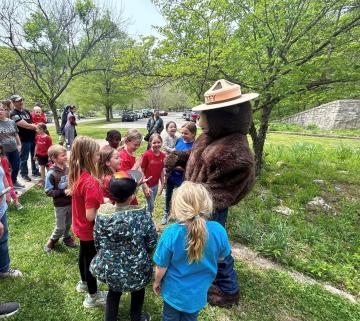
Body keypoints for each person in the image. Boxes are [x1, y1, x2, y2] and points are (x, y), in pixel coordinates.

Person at [165, 79, 258, 306]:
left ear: (224, 115)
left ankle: (228, 290)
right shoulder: (210, 136)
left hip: (210, 209)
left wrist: (191, 198)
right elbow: (197, 157)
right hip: (195, 204)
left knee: (216, 246)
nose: (198, 119)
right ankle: (204, 276)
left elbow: (227, 190)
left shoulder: (234, 151)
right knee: (199, 244)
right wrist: (179, 157)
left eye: (204, 115)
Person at [153, 182, 231, 321]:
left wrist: (156, 282)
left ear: (178, 206)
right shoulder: (218, 230)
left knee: (169, 318)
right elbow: (222, 257)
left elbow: (161, 267)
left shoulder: (171, 233)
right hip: (199, 293)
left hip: (173, 293)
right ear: (207, 204)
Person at [90, 171, 157, 321]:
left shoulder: (102, 216)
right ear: (132, 195)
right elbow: (152, 241)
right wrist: (144, 253)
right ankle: (136, 317)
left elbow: (97, 242)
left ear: (111, 196)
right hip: (137, 266)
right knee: (138, 292)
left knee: (113, 293)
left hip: (112, 266)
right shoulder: (142, 215)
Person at [68, 136, 106, 308]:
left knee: (83, 255)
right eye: (98, 154)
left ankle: (83, 283)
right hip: (88, 228)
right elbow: (91, 215)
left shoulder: (77, 175)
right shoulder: (90, 183)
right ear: (89, 155)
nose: (100, 157)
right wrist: (106, 208)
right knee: (91, 261)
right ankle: (93, 296)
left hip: (79, 225)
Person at [162, 122, 197, 225]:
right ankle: (166, 213)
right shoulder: (179, 141)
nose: (183, 135)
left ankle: (181, 216)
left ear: (193, 134)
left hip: (183, 178)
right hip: (172, 176)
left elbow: (193, 166)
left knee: (182, 198)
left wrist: (178, 168)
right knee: (168, 195)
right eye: (182, 133)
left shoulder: (195, 147)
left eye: (186, 133)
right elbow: (173, 155)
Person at [44, 145, 76, 252]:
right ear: (54, 158)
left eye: (66, 155)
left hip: (71, 202)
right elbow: (48, 191)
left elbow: (72, 181)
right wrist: (62, 192)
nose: (66, 157)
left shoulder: (68, 169)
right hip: (60, 205)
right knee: (60, 226)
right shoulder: (51, 173)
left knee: (68, 223)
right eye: (63, 156)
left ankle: (66, 237)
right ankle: (52, 240)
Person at [9, 94, 39, 182]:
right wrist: (36, 126)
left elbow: (31, 122)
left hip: (32, 137)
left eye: (22, 100)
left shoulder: (26, 111)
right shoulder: (13, 113)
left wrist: (34, 127)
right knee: (24, 158)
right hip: (23, 139)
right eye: (18, 101)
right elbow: (26, 125)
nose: (21, 102)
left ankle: (35, 171)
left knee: (35, 156)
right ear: (13, 102)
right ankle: (24, 174)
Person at [0, 161, 22, 278]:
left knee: (3, 239)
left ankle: (3, 269)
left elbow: (2, 174)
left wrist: (8, 192)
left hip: (1, 207)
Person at [0, 102, 24, 189]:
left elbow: (16, 134)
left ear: (5, 110)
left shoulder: (12, 122)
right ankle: (8, 186)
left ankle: (14, 181)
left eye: (2, 109)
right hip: (3, 152)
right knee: (6, 169)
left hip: (14, 149)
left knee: (17, 166)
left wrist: (19, 145)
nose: (0, 111)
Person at [141, 134, 165, 216]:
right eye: (154, 142)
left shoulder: (163, 155)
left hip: (155, 184)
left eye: (159, 142)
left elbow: (161, 170)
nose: (157, 144)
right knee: (151, 205)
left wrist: (162, 184)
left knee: (151, 203)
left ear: (161, 142)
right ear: (150, 143)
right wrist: (145, 186)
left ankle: (148, 218)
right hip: (147, 184)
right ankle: (147, 219)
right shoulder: (147, 155)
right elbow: (141, 170)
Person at [118, 129, 143, 206]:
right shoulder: (123, 156)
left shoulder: (130, 153)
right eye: (135, 145)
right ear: (126, 141)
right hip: (124, 194)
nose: (137, 147)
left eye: (139, 145)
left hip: (130, 191)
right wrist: (137, 164)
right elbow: (123, 177)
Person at [0, 145, 23, 210]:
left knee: (11, 191)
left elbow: (6, 171)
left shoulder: (3, 159)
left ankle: (16, 202)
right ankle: (4, 204)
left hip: (6, 178)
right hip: (1, 179)